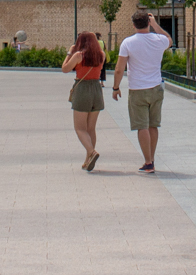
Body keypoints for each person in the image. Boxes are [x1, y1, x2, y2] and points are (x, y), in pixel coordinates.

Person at [110, 11, 170, 173]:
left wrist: (115, 87)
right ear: (148, 23)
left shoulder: (128, 43)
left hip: (137, 89)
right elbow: (169, 39)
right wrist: (155, 24)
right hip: (156, 87)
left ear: (133, 25)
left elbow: (119, 69)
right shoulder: (159, 40)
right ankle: (152, 158)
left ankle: (148, 161)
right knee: (153, 125)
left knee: (142, 126)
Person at [60, 31, 105, 170]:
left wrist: (69, 53)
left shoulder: (78, 55)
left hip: (82, 89)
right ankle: (87, 160)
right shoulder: (101, 55)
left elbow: (65, 69)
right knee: (91, 128)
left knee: (80, 128)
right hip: (96, 89)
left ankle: (92, 152)